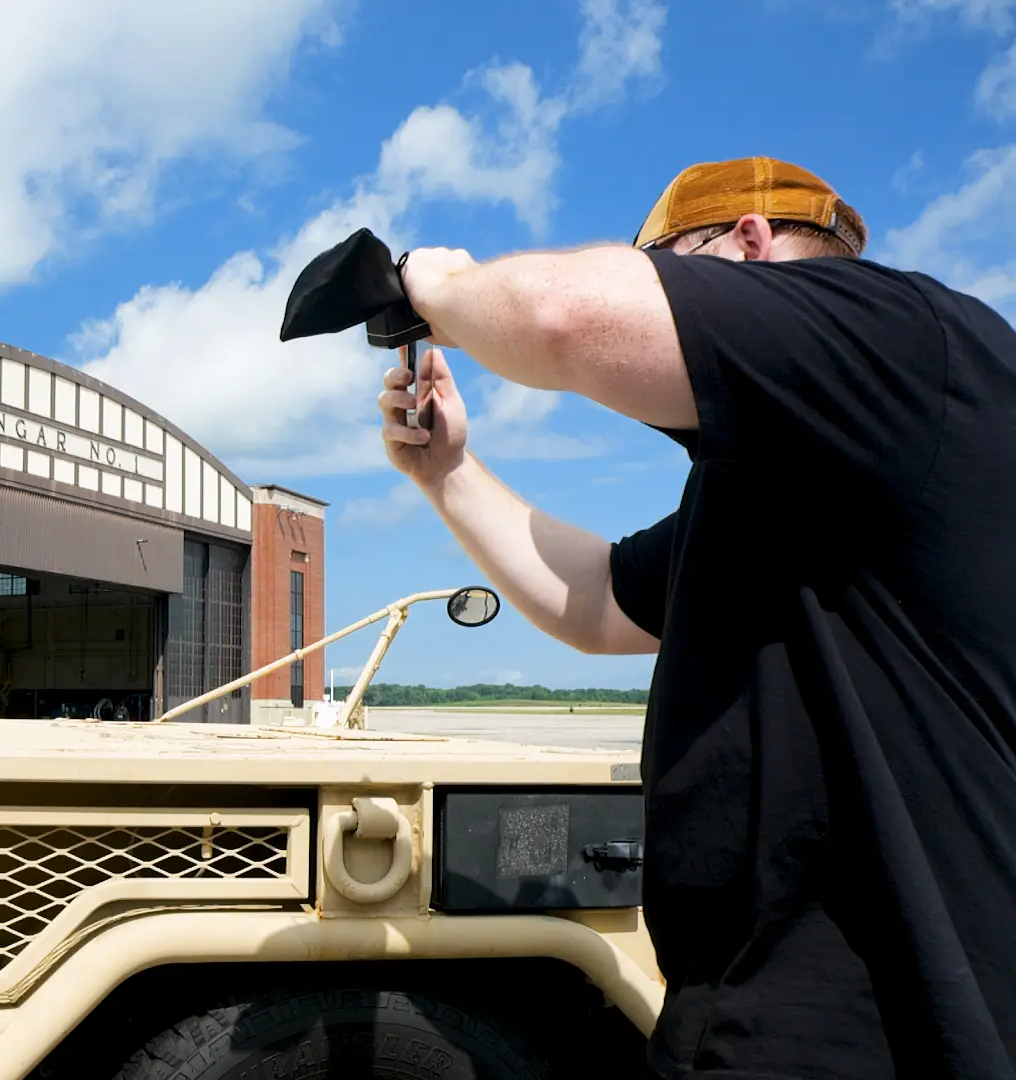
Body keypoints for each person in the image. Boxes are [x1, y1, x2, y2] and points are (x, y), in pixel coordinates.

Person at [380, 157, 1016, 1079]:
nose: (668, 295)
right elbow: (598, 600)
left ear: (748, 245)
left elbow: (564, 315)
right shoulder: (787, 483)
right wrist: (447, 474)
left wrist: (429, 284)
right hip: (747, 1019)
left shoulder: (908, 337)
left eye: (672, 267)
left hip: (884, 1035)